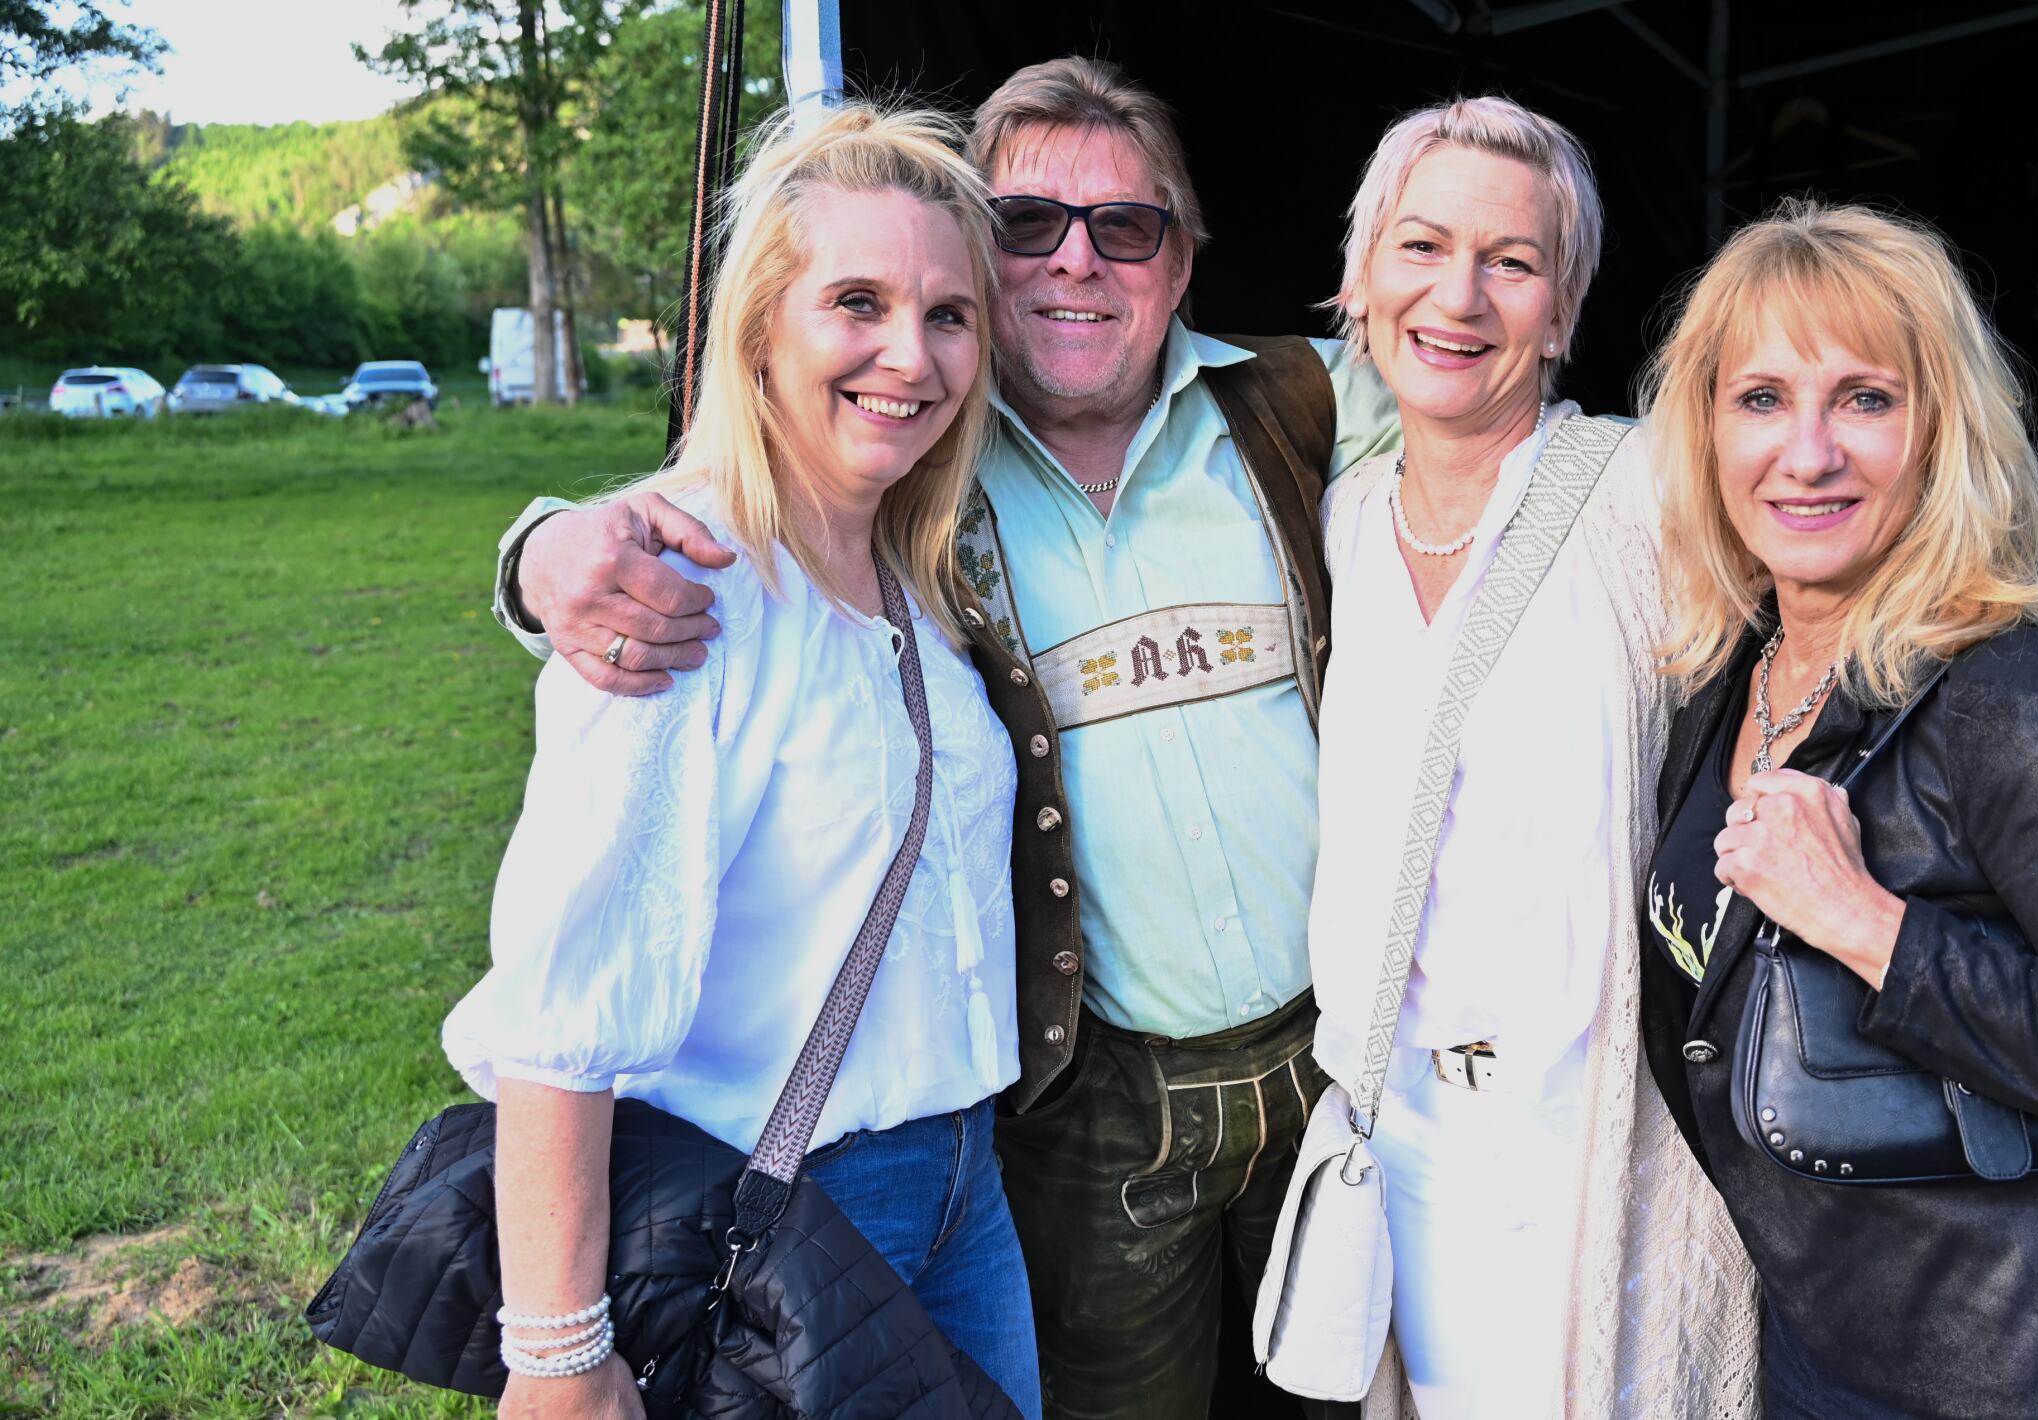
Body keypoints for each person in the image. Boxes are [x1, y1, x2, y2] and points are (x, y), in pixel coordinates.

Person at [484, 58, 1397, 1418]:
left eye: (1124, 225)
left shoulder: (947, 531)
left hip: (1137, 1121)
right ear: (760, 328)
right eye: (1025, 224)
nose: (1075, 259)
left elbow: (1479, 420)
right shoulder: (789, 546)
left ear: (1180, 260)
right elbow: (561, 1007)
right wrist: (545, 555)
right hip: (879, 1166)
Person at [439, 101, 1041, 1417]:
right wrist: (558, 1357)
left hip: (968, 1190)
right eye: (857, 302)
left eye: (948, 315)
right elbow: (562, 1004)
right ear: (761, 327)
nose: (911, 353)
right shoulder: (682, 590)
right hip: (787, 1211)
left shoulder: (913, 574)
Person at [1634, 198, 2038, 1420]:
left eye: (1863, 399)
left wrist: (1866, 925)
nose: (1806, 452)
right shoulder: (1730, 675)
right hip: (1809, 1359)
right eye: (1760, 398)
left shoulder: (2008, 698)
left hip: (2004, 1378)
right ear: (1704, 430)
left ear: (1940, 432)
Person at [1302, 97, 1757, 1420]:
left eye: (1511, 262)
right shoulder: (1340, 522)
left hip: (1592, 1150)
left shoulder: (1644, 493)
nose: (1459, 296)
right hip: (1401, 1145)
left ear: (1560, 315)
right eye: (1421, 246)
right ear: (1359, 280)